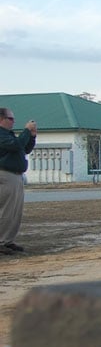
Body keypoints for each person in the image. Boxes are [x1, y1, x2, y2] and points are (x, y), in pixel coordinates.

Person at [0, 108, 37, 256]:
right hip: (5, 174)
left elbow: (24, 149)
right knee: (6, 209)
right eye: (10, 119)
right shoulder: (1, 135)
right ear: (1, 119)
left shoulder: (8, 135)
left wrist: (32, 136)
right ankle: (2, 241)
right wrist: (26, 131)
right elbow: (15, 145)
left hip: (16, 175)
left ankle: (8, 240)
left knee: (15, 211)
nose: (13, 121)